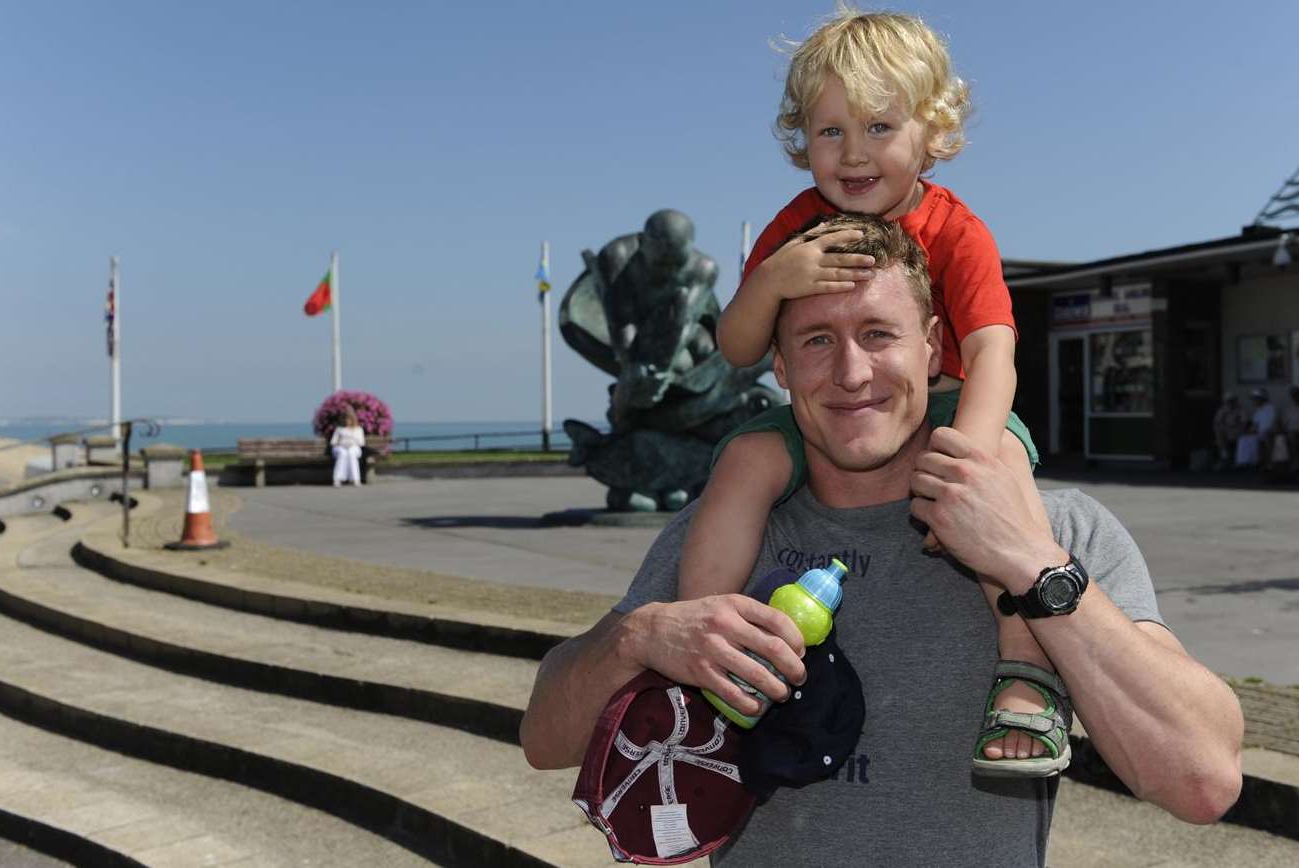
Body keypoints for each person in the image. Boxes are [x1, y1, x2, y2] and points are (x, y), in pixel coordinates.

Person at [521, 216, 1242, 867]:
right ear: (778, 366)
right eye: (815, 341)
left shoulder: (1062, 530)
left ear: (930, 349)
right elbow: (544, 740)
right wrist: (638, 638)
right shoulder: (722, 532)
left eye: (877, 333)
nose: (851, 373)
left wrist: (1030, 562)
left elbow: (1200, 780)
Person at [681, 8, 1055, 772]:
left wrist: (972, 454)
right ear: (801, 139)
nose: (852, 154)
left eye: (878, 127)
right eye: (829, 132)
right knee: (743, 461)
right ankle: (696, 644)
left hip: (946, 401)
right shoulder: (796, 226)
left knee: (1004, 486)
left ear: (931, 132)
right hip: (827, 412)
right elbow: (738, 347)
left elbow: (991, 348)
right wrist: (771, 281)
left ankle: (1027, 674)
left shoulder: (956, 229)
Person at [1235, 387, 1277, 469]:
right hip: (1259, 433)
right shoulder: (1258, 410)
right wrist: (1249, 431)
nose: (1254, 401)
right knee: (1243, 437)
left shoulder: (1270, 409)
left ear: (1262, 399)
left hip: (1268, 433)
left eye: (1255, 399)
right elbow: (1255, 425)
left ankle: (1265, 462)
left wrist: (1256, 431)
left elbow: (1269, 425)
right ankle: (1245, 462)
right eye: (1253, 399)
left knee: (1262, 437)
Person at [329, 407, 365, 487]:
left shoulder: (358, 429)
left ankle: (356, 479)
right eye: (346, 419)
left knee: (351, 453)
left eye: (349, 419)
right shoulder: (339, 429)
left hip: (354, 448)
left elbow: (362, 443)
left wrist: (352, 442)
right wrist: (342, 443)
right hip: (340, 448)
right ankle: (337, 479)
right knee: (343, 453)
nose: (347, 421)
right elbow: (333, 442)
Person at [1212, 393, 1246, 470]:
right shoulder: (1223, 410)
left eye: (1231, 401)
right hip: (1226, 432)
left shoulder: (1240, 410)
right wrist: (1225, 413)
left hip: (1236, 431)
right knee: (1219, 431)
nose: (1230, 403)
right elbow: (1217, 422)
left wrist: (1233, 426)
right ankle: (1225, 457)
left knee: (1222, 435)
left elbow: (1244, 422)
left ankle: (1225, 458)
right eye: (1228, 401)